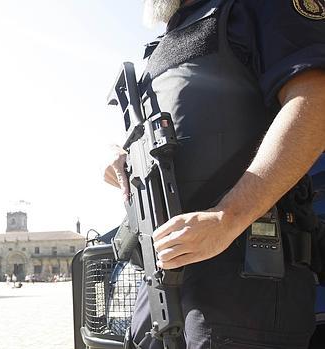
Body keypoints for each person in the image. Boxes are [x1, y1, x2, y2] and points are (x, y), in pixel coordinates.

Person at [104, 1, 325, 348]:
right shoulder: (167, 40)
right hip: (164, 280)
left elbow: (315, 101)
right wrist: (125, 157)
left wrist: (227, 218)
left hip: (244, 281)